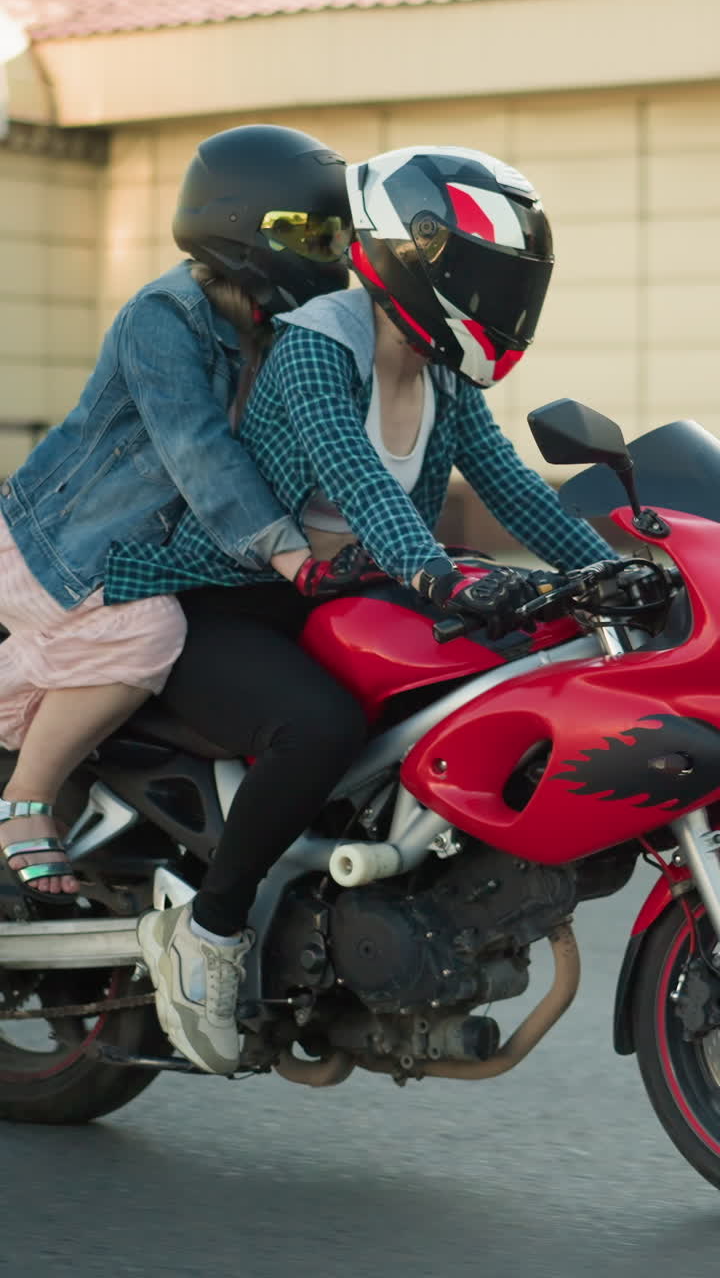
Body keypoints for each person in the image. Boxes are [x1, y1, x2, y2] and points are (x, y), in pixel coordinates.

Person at [107, 144, 617, 1075]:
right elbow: (364, 490)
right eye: (481, 275)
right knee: (318, 724)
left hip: (344, 600)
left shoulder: (442, 369)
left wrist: (618, 573)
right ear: (412, 260)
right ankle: (209, 935)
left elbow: (516, 493)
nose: (497, 297)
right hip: (231, 598)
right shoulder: (316, 347)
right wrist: (438, 573)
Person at [0, 122, 368, 910]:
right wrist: (286, 554)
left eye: (338, 231)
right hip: (65, 547)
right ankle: (25, 799)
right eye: (311, 231)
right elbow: (199, 454)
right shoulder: (162, 317)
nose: (331, 250)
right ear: (236, 224)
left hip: (163, 553)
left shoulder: (273, 328)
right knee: (149, 634)